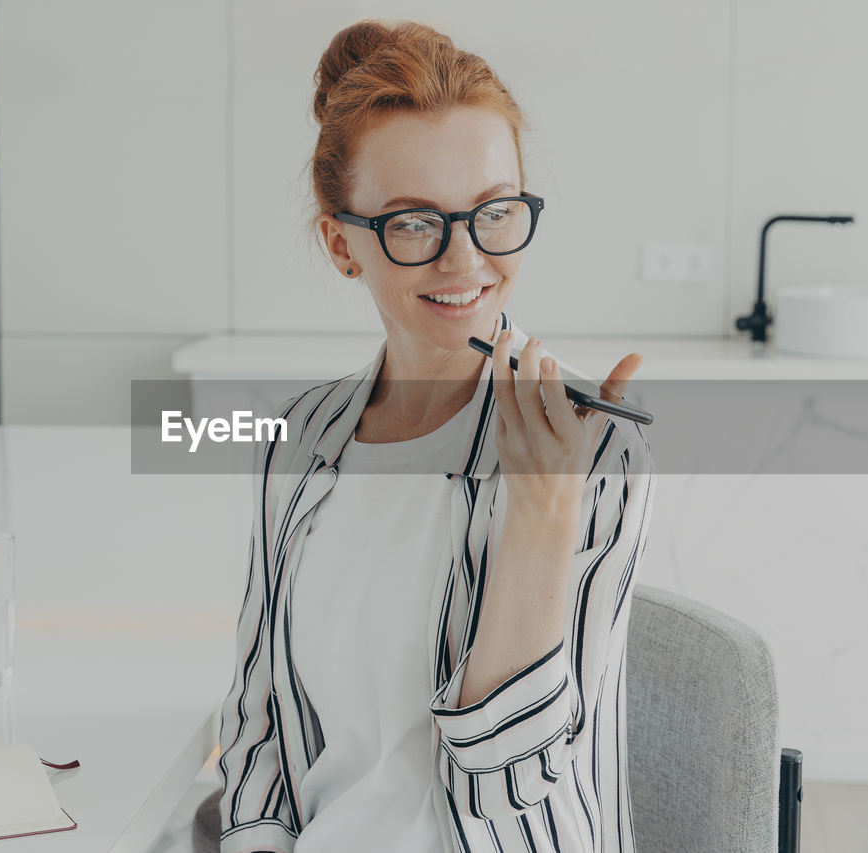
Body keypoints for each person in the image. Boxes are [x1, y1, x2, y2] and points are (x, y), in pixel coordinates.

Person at [217, 18, 655, 853]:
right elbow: (256, 724)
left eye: (494, 212)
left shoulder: (594, 449)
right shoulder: (298, 441)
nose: (466, 261)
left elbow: (509, 794)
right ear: (343, 245)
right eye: (415, 222)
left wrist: (541, 511)